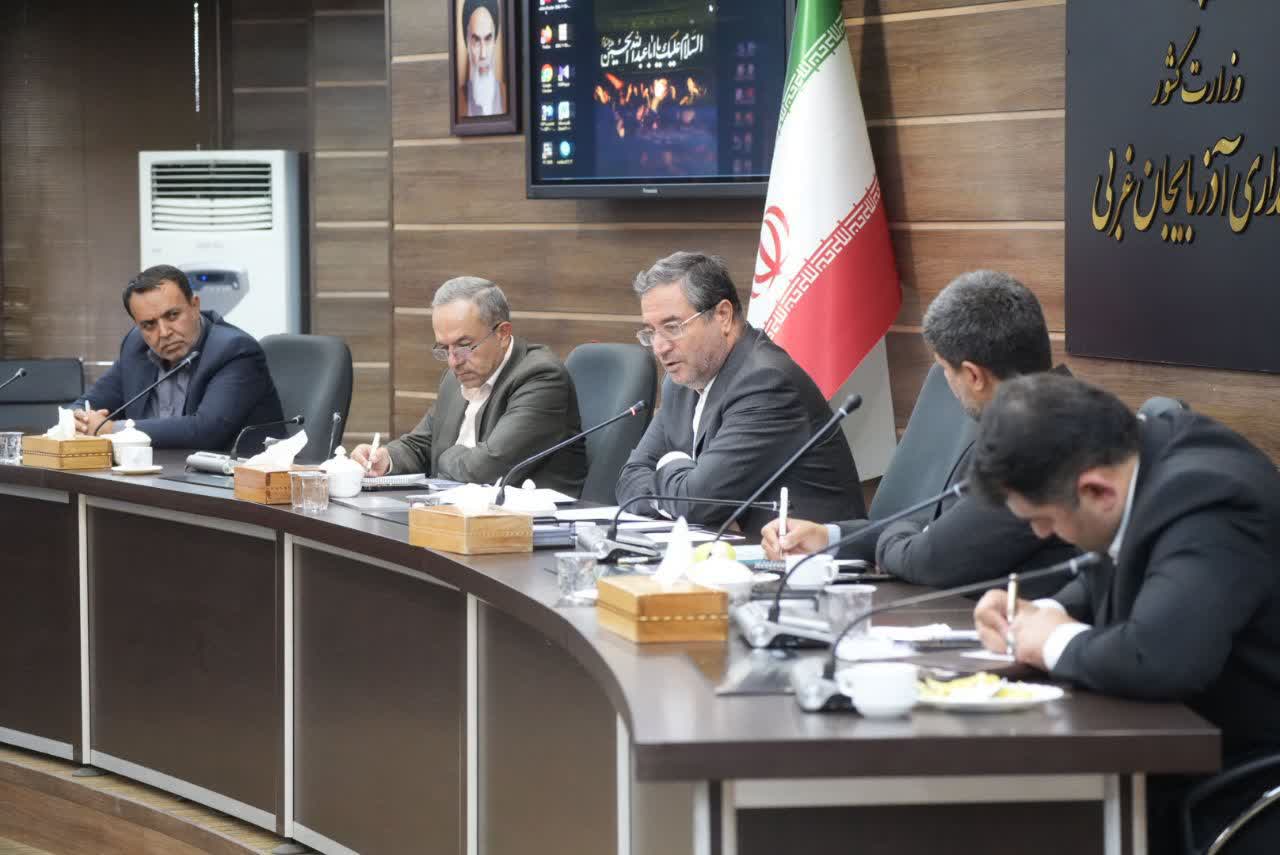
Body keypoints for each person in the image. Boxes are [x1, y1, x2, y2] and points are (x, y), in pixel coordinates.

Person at [970, 373, 1280, 853]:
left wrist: (1051, 641)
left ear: (1097, 492)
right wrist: (1040, 613)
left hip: (1242, 784)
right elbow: (1123, 569)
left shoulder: (1209, 503)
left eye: (1044, 519)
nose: (1040, 535)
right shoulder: (1141, 457)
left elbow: (1160, 659)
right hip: (1186, 749)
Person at [761, 271, 1077, 594]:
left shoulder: (1036, 443)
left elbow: (933, 559)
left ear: (973, 376)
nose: (946, 382)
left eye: (946, 369)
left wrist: (896, 539)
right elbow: (937, 529)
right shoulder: (1039, 416)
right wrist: (828, 537)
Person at [614, 251, 863, 536]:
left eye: (672, 327)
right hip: (729, 550)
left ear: (722, 316)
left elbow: (697, 502)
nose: (660, 347)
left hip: (805, 557)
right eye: (651, 332)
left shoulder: (766, 383)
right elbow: (628, 481)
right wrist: (682, 497)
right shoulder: (680, 383)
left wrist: (670, 465)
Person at [352, 277, 586, 497]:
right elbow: (422, 444)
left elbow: (485, 468)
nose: (453, 361)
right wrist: (385, 458)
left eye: (464, 345)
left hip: (529, 520)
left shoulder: (541, 377)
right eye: (445, 349)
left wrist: (445, 456)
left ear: (502, 334)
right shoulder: (457, 377)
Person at [75, 265, 284, 453]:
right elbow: (86, 403)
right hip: (156, 472)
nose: (164, 332)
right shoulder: (136, 346)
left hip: (234, 477)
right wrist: (79, 420)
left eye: (172, 315)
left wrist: (112, 429)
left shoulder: (235, 350)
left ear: (195, 306)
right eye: (149, 325)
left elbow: (205, 431)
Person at [458, 0, 505, 117]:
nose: (483, 54)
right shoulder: (458, 101)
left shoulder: (508, 95)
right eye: (476, 40)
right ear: (467, 43)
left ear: (494, 41)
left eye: (488, 39)